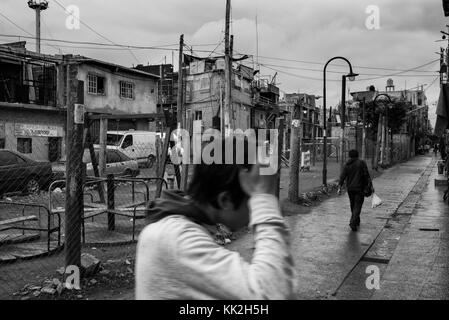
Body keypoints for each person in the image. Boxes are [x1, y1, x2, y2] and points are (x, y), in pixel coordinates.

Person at [135, 136, 296, 300]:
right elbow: (273, 293)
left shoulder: (179, 224)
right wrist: (264, 200)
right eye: (253, 199)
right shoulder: (175, 238)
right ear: (225, 200)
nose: (256, 209)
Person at [337, 149, 373, 232]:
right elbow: (366, 175)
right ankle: (353, 222)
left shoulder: (347, 164)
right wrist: (370, 185)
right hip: (360, 188)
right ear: (357, 155)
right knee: (358, 205)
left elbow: (342, 176)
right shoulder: (361, 163)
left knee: (353, 205)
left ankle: (356, 220)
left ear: (349, 155)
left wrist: (339, 187)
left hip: (350, 188)